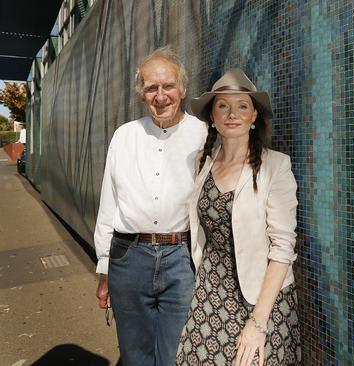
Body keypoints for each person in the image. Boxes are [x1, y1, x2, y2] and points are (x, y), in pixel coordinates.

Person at [175, 68, 300, 366]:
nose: (232, 114)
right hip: (210, 290)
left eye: (242, 105)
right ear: (212, 117)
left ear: (254, 115)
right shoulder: (201, 162)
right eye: (223, 106)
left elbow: (283, 249)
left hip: (261, 297)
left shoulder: (276, 167)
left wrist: (258, 323)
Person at [93, 46, 207, 366]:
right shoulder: (124, 136)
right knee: (134, 355)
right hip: (128, 256)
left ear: (183, 89)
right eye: (151, 87)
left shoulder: (204, 135)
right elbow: (108, 205)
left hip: (181, 256)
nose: (160, 96)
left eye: (168, 85)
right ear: (141, 94)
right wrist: (104, 268)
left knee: (178, 353)